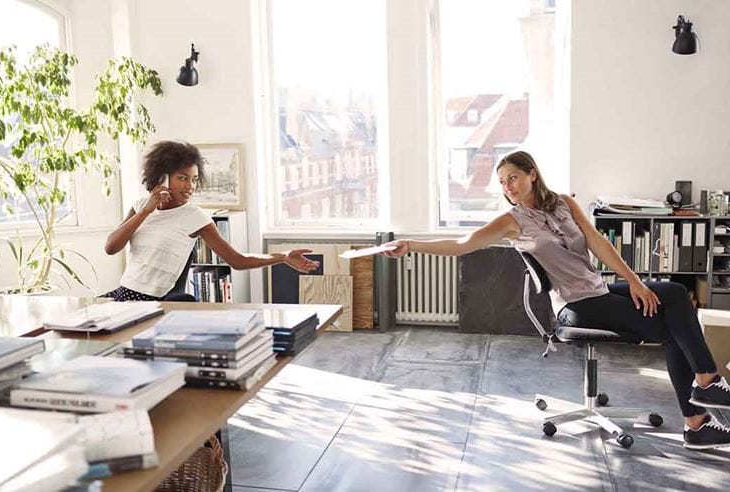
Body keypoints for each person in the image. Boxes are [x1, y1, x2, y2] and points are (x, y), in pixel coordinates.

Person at [384, 150, 730, 450]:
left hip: (599, 290)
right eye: (503, 182)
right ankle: (700, 407)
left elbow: (596, 242)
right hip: (575, 307)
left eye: (514, 178)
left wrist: (635, 282)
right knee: (674, 327)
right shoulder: (511, 221)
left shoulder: (564, 203)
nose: (508, 187)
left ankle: (704, 390)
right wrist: (412, 245)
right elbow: (462, 245)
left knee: (673, 292)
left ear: (532, 175)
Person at [103, 140, 319, 302]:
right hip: (123, 295)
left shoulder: (195, 217)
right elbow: (111, 248)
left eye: (194, 179)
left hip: (152, 304)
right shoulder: (140, 205)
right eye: (183, 178)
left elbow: (237, 260)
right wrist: (146, 211)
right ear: (162, 177)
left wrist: (282, 257)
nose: (190, 186)